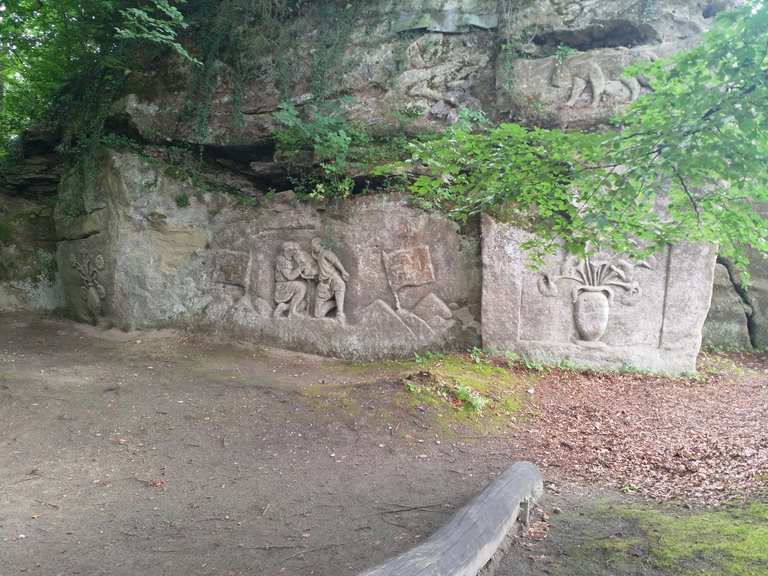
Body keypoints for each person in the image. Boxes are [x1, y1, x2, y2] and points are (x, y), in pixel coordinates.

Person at [311, 237, 349, 323]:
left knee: (341, 286)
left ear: (320, 245)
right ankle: (334, 304)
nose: (313, 248)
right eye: (312, 246)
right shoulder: (319, 256)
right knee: (317, 314)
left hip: (332, 277)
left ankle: (340, 313)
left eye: (314, 246)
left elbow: (336, 262)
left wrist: (343, 271)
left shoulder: (326, 253)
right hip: (323, 284)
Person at [273, 242, 308, 318]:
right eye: (293, 250)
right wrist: (299, 269)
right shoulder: (281, 260)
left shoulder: (291, 260)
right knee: (301, 287)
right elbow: (289, 276)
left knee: (303, 304)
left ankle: (284, 307)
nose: (295, 252)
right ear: (287, 250)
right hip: (282, 287)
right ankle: (292, 312)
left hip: (287, 285)